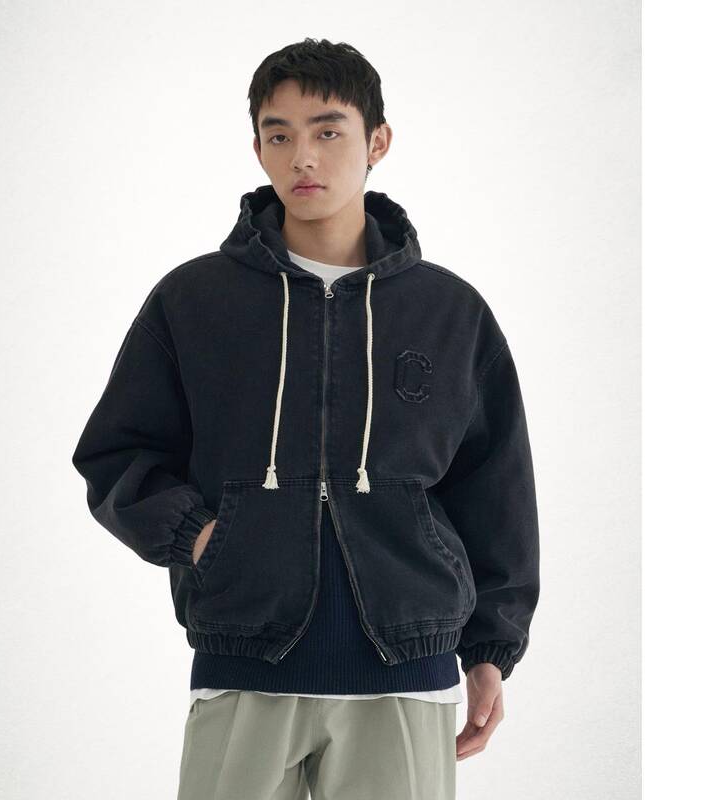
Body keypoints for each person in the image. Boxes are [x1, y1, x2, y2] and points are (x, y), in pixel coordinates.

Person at [72, 37, 540, 800]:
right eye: (279, 135)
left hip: (405, 669)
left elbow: (495, 487)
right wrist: (201, 537)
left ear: (377, 141)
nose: (303, 158)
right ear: (257, 148)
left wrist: (491, 648)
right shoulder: (194, 301)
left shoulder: (448, 311)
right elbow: (117, 454)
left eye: (328, 131)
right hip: (245, 661)